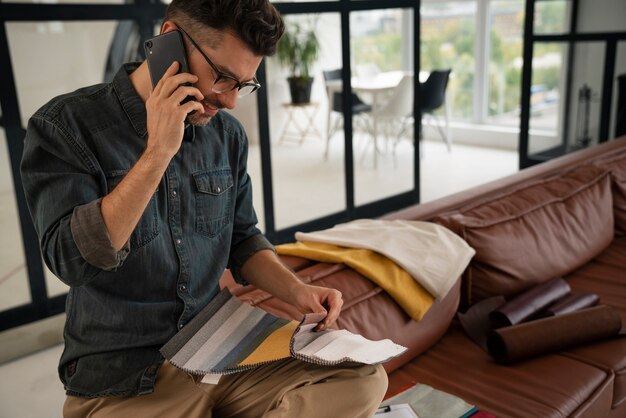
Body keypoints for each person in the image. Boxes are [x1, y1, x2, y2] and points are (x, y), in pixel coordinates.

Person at [20, 0, 388, 417]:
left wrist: (298, 291)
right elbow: (71, 261)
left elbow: (243, 238)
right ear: (170, 37)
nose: (230, 101)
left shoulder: (226, 136)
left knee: (362, 378)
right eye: (224, 78)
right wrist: (157, 151)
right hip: (125, 375)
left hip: (220, 347)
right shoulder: (65, 126)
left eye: (244, 84)